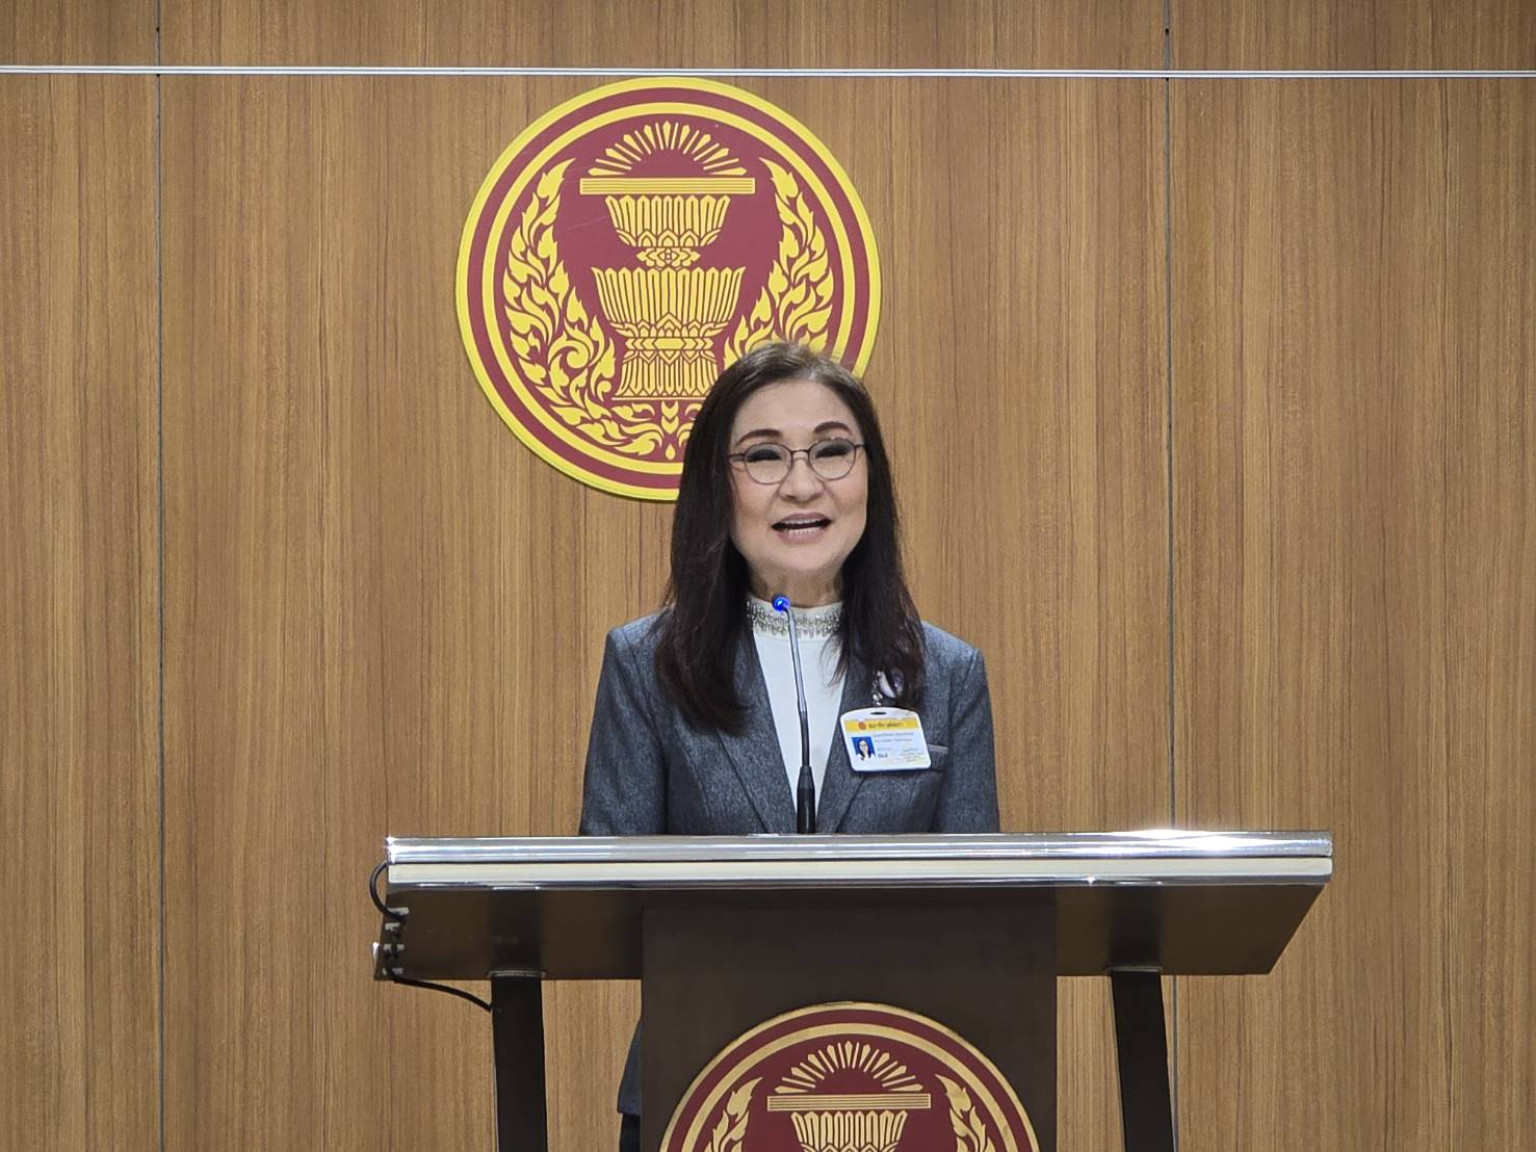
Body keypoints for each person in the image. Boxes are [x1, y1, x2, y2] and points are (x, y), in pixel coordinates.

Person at [578, 341, 999, 1151]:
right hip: (697, 1083)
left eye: (832, 451)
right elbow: (606, 898)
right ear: (717, 487)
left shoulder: (946, 675)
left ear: (870, 475)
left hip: (896, 1089)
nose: (803, 485)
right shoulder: (648, 664)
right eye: (764, 456)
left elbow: (980, 917)